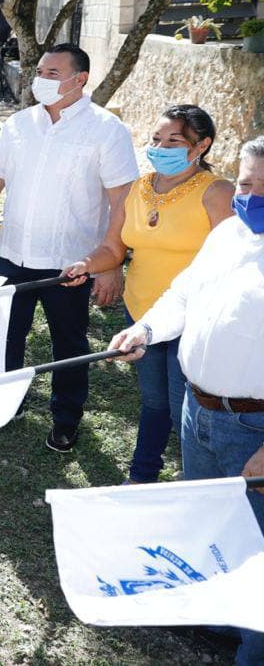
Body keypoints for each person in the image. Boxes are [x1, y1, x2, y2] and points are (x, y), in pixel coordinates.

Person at [108, 136, 264, 666]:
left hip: (255, 429)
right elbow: (183, 291)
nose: (251, 197)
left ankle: (252, 649)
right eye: (245, 184)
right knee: (209, 520)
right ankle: (217, 619)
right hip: (199, 412)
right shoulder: (231, 235)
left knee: (257, 543)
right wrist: (145, 330)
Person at [0, 43, 139, 453]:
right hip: (13, 254)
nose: (39, 79)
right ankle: (5, 404)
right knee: (6, 336)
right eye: (39, 71)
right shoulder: (19, 125)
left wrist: (111, 262)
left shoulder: (106, 130)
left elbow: (121, 203)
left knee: (69, 344)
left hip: (69, 264)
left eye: (52, 73)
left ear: (80, 79)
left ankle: (65, 419)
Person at [62, 106, 234, 482]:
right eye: (157, 139)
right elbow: (113, 248)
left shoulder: (217, 192)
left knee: (180, 409)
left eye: (174, 140)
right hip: (141, 312)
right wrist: (86, 265)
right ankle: (142, 475)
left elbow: (233, 258)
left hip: (193, 318)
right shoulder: (137, 188)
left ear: (201, 145)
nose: (161, 147)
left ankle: (198, 486)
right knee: (154, 401)